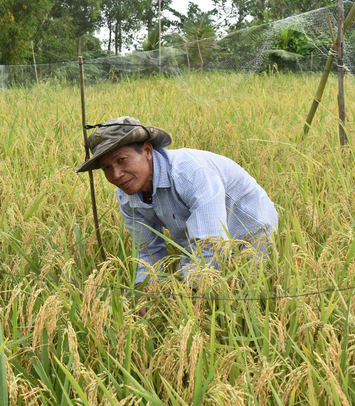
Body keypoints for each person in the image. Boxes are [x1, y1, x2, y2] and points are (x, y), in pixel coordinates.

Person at [76, 116, 278, 287]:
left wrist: (183, 293)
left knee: (249, 290)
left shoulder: (189, 173)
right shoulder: (127, 195)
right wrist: (145, 289)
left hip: (251, 230)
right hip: (199, 238)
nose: (116, 174)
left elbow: (209, 245)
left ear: (147, 151)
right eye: (106, 168)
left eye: (122, 160)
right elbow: (148, 250)